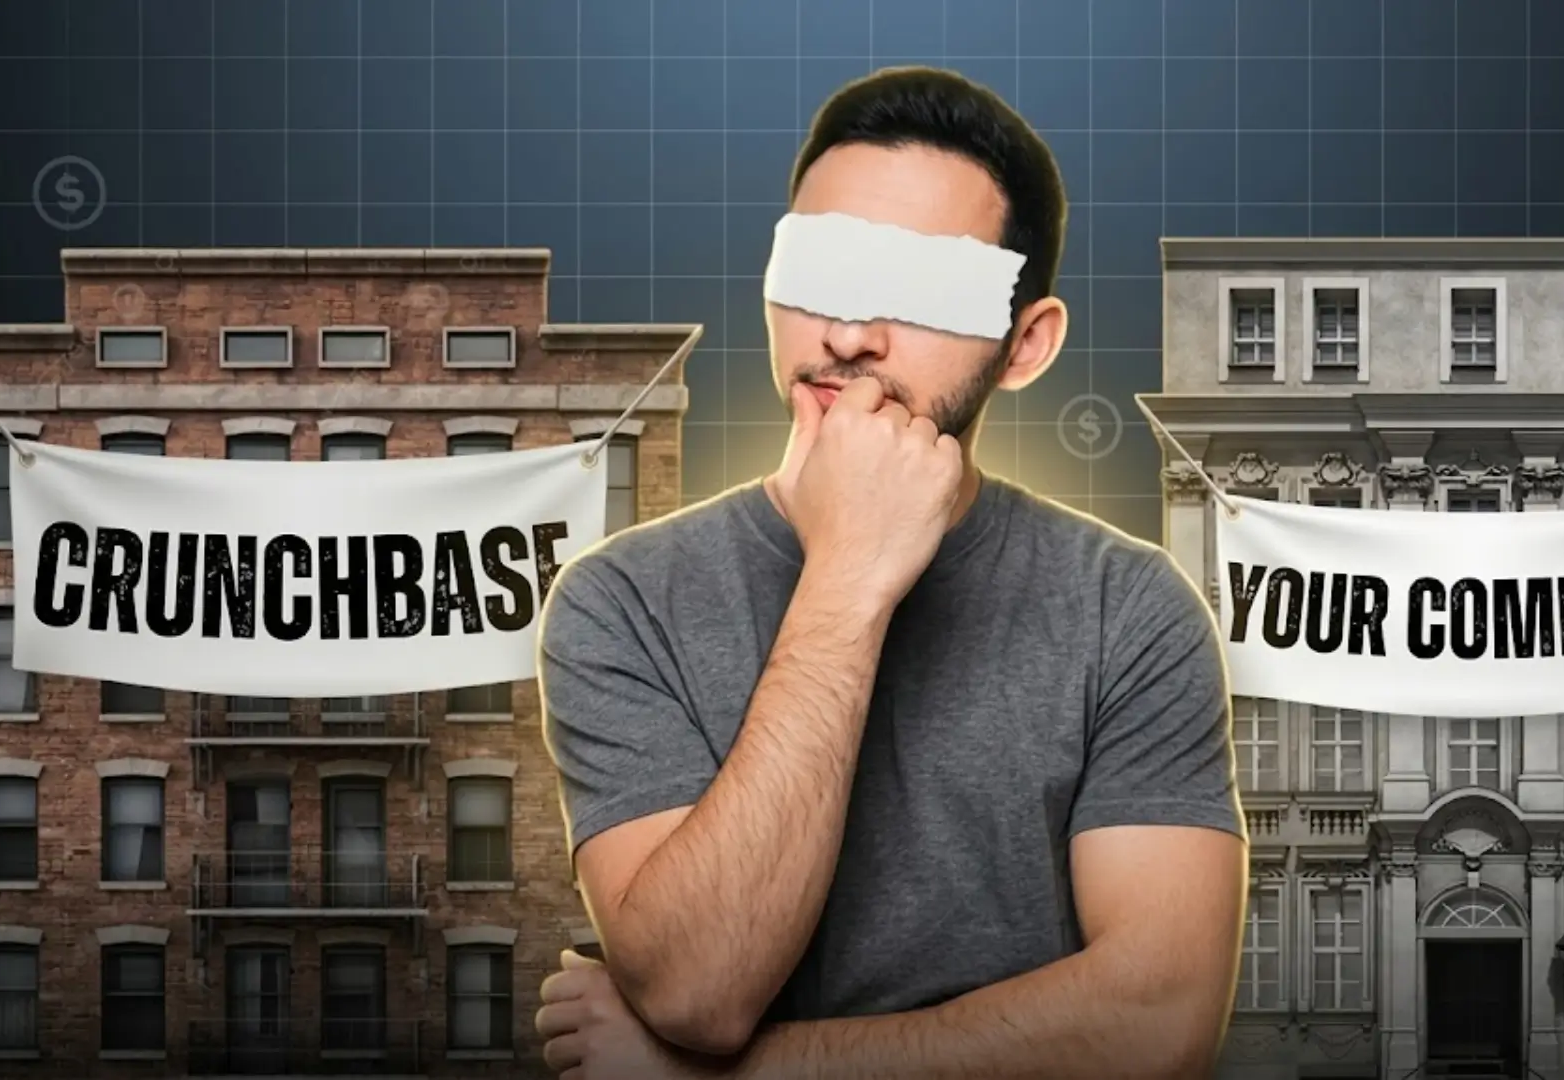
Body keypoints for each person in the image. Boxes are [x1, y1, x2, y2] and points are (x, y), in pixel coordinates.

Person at [533, 66, 1248, 1079]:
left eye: (922, 288)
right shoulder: (620, 603)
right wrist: (849, 576)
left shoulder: (1128, 608)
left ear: (1025, 344)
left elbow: (1156, 1019)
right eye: (819, 268)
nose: (848, 333)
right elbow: (697, 985)